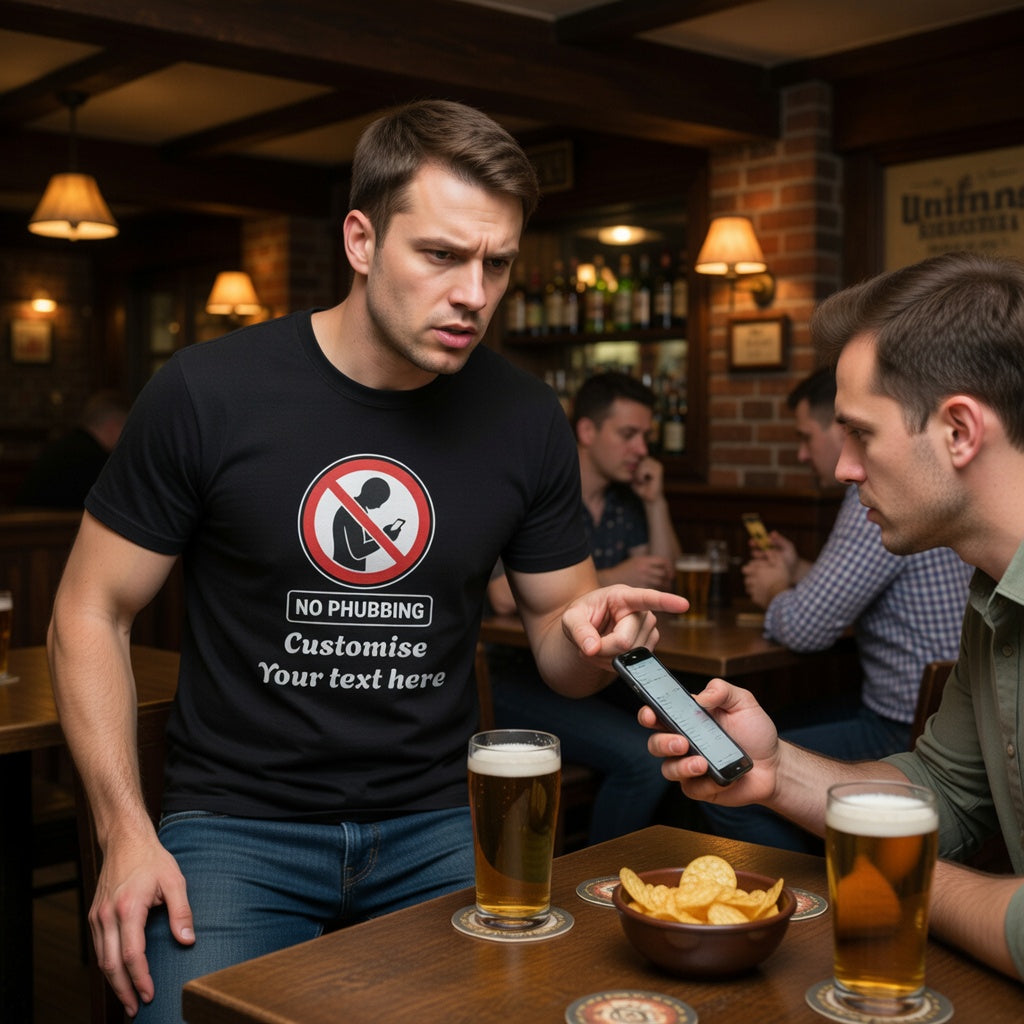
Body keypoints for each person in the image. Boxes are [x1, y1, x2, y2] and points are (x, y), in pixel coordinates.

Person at [47, 100, 687, 1022]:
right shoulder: (207, 391)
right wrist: (124, 830)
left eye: (496, 263)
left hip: (438, 824)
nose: (474, 292)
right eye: (439, 254)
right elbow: (89, 611)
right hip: (236, 826)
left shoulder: (523, 420)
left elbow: (555, 632)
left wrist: (594, 640)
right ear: (360, 239)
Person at [644, 250, 1024, 980]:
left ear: (959, 431)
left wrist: (881, 872)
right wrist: (774, 768)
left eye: (862, 433)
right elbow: (944, 792)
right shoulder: (994, 592)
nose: (845, 468)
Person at [702, 368, 972, 851]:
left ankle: (804, 893)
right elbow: (868, 584)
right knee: (772, 726)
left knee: (722, 768)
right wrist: (800, 572)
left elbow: (806, 628)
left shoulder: (879, 491)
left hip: (905, 724)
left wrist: (774, 594)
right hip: (938, 715)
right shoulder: (933, 491)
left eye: (859, 433)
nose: (809, 456)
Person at [486, 372, 682, 843]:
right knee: (644, 759)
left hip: (593, 671)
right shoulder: (539, 492)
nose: (640, 449)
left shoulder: (623, 502)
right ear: (588, 432)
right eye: (628, 434)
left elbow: (664, 579)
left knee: (688, 733)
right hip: (513, 678)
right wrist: (618, 578)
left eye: (646, 437)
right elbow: (501, 596)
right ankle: (599, 885)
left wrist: (655, 505)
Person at [15, 389, 129, 507]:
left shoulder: (67, 445)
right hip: (45, 523)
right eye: (126, 428)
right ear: (113, 425)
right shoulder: (90, 457)